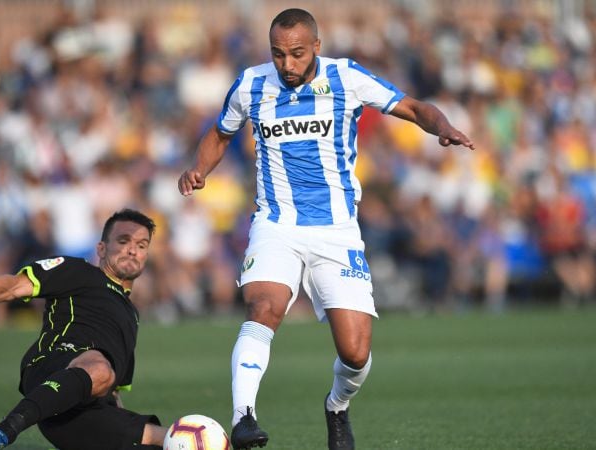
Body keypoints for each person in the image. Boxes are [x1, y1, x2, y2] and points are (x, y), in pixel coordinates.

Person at [178, 8, 474, 450]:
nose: (288, 65)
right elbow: (221, 134)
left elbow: (412, 106)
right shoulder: (251, 84)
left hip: (336, 229)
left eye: (297, 54)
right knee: (263, 308)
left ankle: (337, 407)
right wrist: (199, 169)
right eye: (278, 55)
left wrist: (442, 127)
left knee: (355, 353)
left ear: (317, 45)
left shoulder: (346, 78)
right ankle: (243, 419)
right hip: (276, 223)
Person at [0, 209, 167, 450]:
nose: (132, 250)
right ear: (101, 249)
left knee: (171, 438)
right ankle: (2, 432)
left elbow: (114, 390)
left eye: (141, 245)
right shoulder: (77, 270)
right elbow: (14, 286)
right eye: (123, 241)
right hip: (52, 368)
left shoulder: (132, 314)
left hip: (85, 411)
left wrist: (120, 423)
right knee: (99, 367)